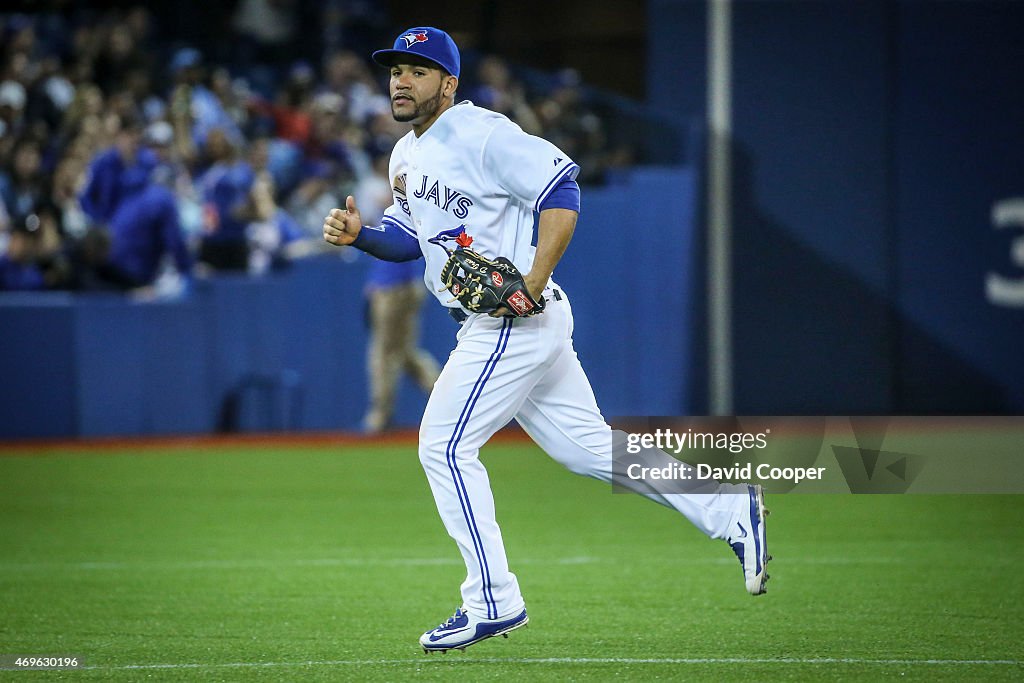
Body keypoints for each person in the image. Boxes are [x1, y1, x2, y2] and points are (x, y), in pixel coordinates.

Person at [322, 27, 770, 654]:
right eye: (395, 69)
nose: (400, 80)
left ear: (447, 83)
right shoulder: (404, 155)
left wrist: (534, 277)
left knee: (443, 447)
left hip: (512, 320)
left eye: (417, 70)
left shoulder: (483, 133)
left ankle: (492, 600)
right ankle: (729, 510)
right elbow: (408, 236)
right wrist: (362, 234)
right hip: (507, 322)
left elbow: (563, 189)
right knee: (588, 450)